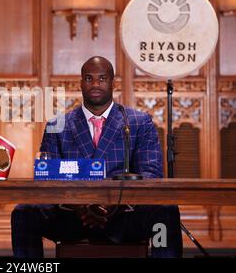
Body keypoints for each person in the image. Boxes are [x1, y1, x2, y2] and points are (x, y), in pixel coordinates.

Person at [11, 56, 183, 258]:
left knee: (166, 210)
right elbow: (48, 179)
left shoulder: (138, 122)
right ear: (81, 83)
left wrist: (112, 204)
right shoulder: (58, 124)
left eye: (102, 79)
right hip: (73, 217)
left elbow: (151, 174)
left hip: (124, 215)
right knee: (24, 212)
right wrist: (81, 205)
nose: (95, 84)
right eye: (89, 78)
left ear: (112, 83)